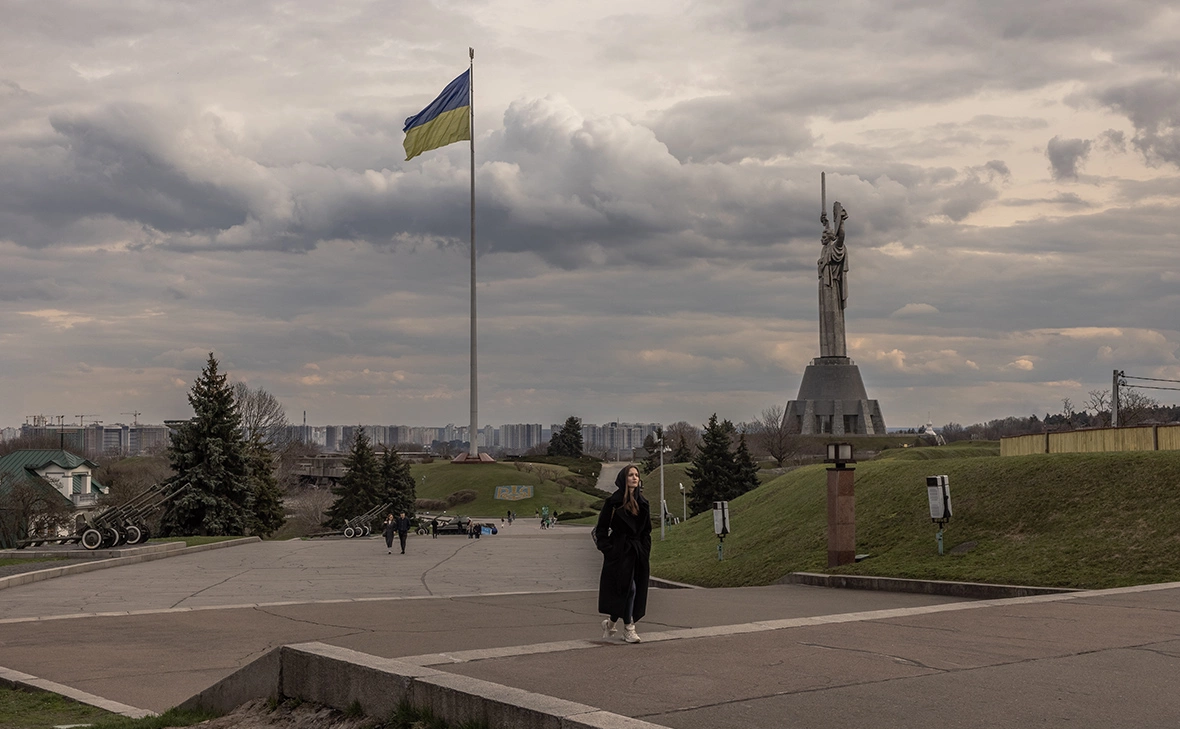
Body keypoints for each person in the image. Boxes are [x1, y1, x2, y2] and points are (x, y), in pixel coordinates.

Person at [594, 464, 651, 644]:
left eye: (636, 475)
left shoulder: (643, 503)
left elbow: (646, 531)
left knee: (629, 589)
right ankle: (629, 628)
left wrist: (645, 550)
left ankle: (610, 624)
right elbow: (601, 530)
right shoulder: (613, 502)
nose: (635, 478)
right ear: (623, 479)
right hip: (619, 551)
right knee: (629, 588)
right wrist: (609, 550)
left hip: (637, 552)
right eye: (630, 475)